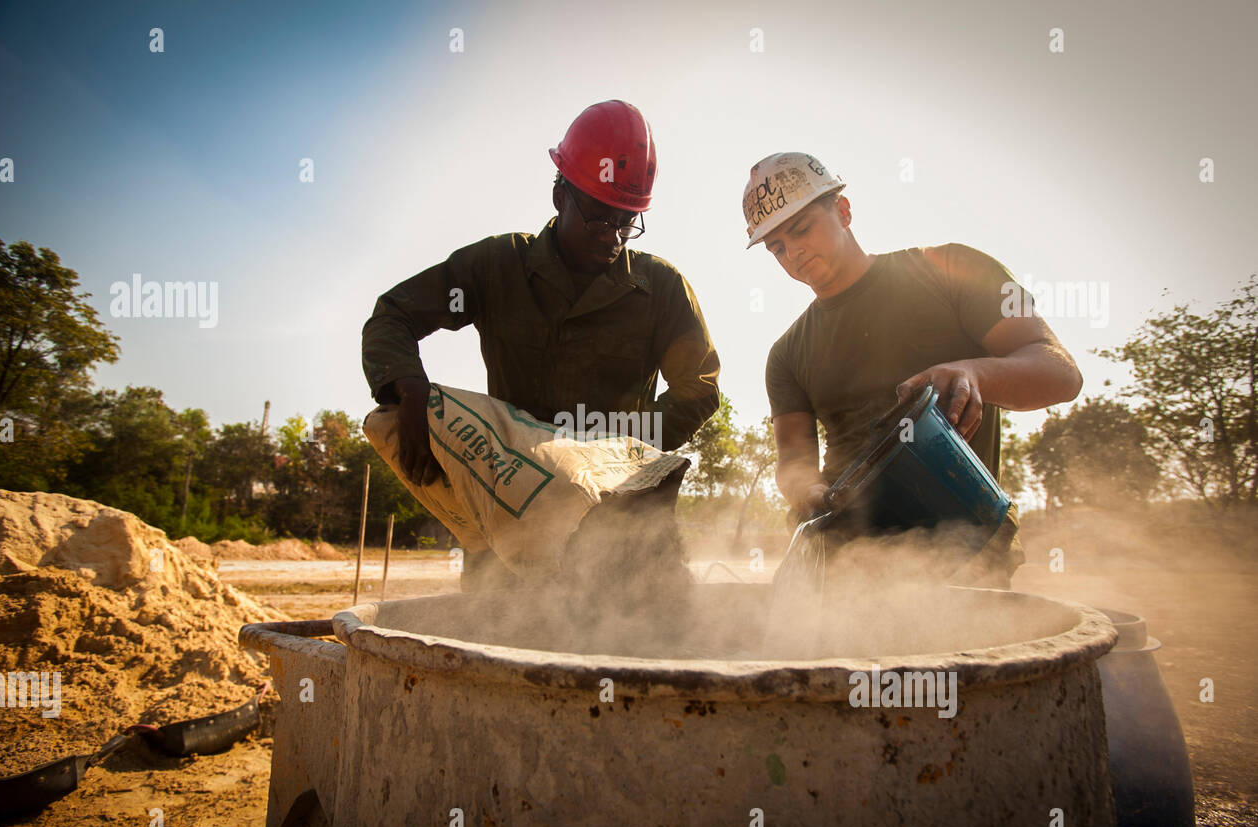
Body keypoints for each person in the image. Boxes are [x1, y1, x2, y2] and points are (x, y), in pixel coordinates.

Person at [362, 100, 721, 588]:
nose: (612, 237)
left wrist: (610, 457)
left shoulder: (661, 289)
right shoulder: (497, 267)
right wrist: (410, 391)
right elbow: (394, 315)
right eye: (598, 217)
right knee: (501, 652)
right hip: (512, 527)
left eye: (626, 221)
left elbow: (698, 388)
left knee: (638, 651)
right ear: (559, 195)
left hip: (624, 534)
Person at [744, 152, 1082, 586]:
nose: (793, 253)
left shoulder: (951, 271)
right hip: (848, 567)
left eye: (802, 229)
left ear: (843, 211)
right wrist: (808, 492)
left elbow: (1061, 374)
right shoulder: (787, 353)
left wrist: (974, 374)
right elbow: (794, 461)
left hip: (967, 554)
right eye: (777, 248)